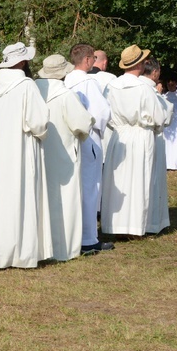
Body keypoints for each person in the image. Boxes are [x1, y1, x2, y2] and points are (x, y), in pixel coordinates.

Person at [0, 42, 51, 268]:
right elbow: (38, 123)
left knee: (0, 201)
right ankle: (22, 252)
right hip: (20, 149)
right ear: (22, 62)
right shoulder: (26, 86)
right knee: (21, 196)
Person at [101, 45, 167, 237]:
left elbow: (106, 113)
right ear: (139, 64)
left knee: (119, 180)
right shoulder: (143, 88)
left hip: (119, 135)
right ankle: (136, 226)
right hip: (140, 134)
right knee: (139, 179)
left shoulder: (112, 86)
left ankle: (116, 224)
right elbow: (158, 117)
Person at [35, 55, 94, 260]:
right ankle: (64, 248)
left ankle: (43, 247)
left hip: (39, 153)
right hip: (64, 154)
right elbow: (82, 124)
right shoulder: (66, 95)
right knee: (66, 199)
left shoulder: (34, 91)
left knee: (42, 199)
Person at [64, 43, 113, 253]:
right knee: (90, 188)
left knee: (76, 188)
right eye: (93, 58)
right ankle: (88, 238)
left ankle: (74, 234)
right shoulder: (87, 82)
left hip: (70, 138)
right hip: (88, 137)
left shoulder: (66, 80)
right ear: (86, 60)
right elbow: (102, 112)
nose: (94, 62)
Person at [140, 57, 172, 234]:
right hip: (152, 135)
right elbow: (163, 118)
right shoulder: (150, 90)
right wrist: (159, 95)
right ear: (154, 73)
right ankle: (153, 221)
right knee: (153, 178)